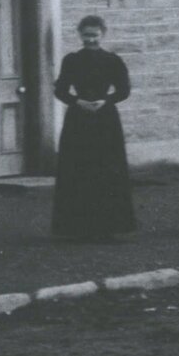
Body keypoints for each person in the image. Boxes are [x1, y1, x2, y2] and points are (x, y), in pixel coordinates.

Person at [51, 14, 137, 242]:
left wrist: (105, 101)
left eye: (95, 35)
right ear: (80, 35)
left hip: (104, 120)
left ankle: (107, 227)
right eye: (86, 35)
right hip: (79, 120)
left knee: (106, 170)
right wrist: (77, 102)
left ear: (103, 34)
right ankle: (79, 227)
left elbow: (124, 90)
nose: (90, 40)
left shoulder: (112, 60)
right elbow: (60, 90)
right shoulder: (71, 60)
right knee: (79, 170)